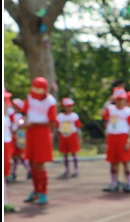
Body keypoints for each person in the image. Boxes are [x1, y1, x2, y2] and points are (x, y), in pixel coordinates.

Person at [21, 77, 57, 205]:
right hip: (30, 133)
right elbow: (24, 114)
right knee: (31, 162)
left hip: (42, 133)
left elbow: (52, 121)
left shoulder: (50, 101)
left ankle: (43, 192)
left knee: (39, 163)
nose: (35, 92)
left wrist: (35, 123)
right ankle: (36, 190)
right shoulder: (30, 97)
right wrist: (22, 123)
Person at [102, 90, 130, 193]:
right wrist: (108, 102)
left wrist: (129, 140)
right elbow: (102, 115)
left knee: (125, 162)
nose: (120, 102)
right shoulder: (110, 109)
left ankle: (129, 183)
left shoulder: (129, 111)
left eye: (122, 99)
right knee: (113, 162)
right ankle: (114, 182)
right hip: (112, 137)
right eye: (117, 99)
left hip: (123, 138)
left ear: (125, 100)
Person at [56, 97, 82, 178]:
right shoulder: (60, 116)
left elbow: (78, 126)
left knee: (74, 153)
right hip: (63, 136)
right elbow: (56, 126)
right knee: (65, 154)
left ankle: (76, 169)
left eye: (71, 106)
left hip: (72, 136)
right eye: (67, 106)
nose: (69, 108)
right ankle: (67, 169)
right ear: (63, 107)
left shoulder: (74, 116)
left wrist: (80, 137)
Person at [3, 88, 16, 212]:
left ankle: (4, 202)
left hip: (6, 145)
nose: (7, 103)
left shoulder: (6, 116)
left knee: (4, 175)